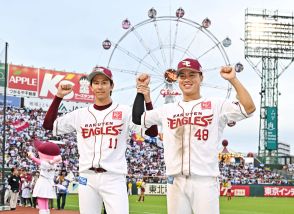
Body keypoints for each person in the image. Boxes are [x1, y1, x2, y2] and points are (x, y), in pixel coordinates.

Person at [132, 58, 256, 214]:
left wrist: (233, 79)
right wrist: (140, 90)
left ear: (201, 77)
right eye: (182, 75)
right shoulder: (168, 109)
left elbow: (249, 108)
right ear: (176, 79)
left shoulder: (215, 105)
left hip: (205, 181)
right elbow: (138, 118)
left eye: (192, 74)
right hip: (175, 181)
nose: (187, 79)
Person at [42, 66, 157, 214]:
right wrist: (58, 96)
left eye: (104, 82)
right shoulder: (80, 114)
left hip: (114, 177)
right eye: (96, 83)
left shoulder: (124, 112)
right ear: (91, 87)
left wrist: (146, 98)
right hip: (87, 178)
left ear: (112, 86)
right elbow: (48, 125)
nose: (100, 86)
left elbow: (152, 132)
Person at [28, 140, 62, 214]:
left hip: (43, 181)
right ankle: (46, 212)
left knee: (41, 198)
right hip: (49, 182)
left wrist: (31, 156)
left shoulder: (46, 164)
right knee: (45, 199)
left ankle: (43, 212)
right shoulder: (54, 164)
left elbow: (37, 160)